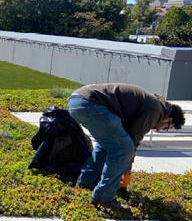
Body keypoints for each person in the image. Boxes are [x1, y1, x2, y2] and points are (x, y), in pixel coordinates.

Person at [67, 84, 185, 213]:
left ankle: (85, 182)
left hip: (77, 101)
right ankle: (104, 197)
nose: (158, 129)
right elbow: (133, 141)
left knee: (107, 145)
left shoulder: (151, 103)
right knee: (123, 149)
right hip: (91, 105)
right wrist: (126, 173)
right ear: (169, 118)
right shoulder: (155, 110)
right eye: (166, 127)